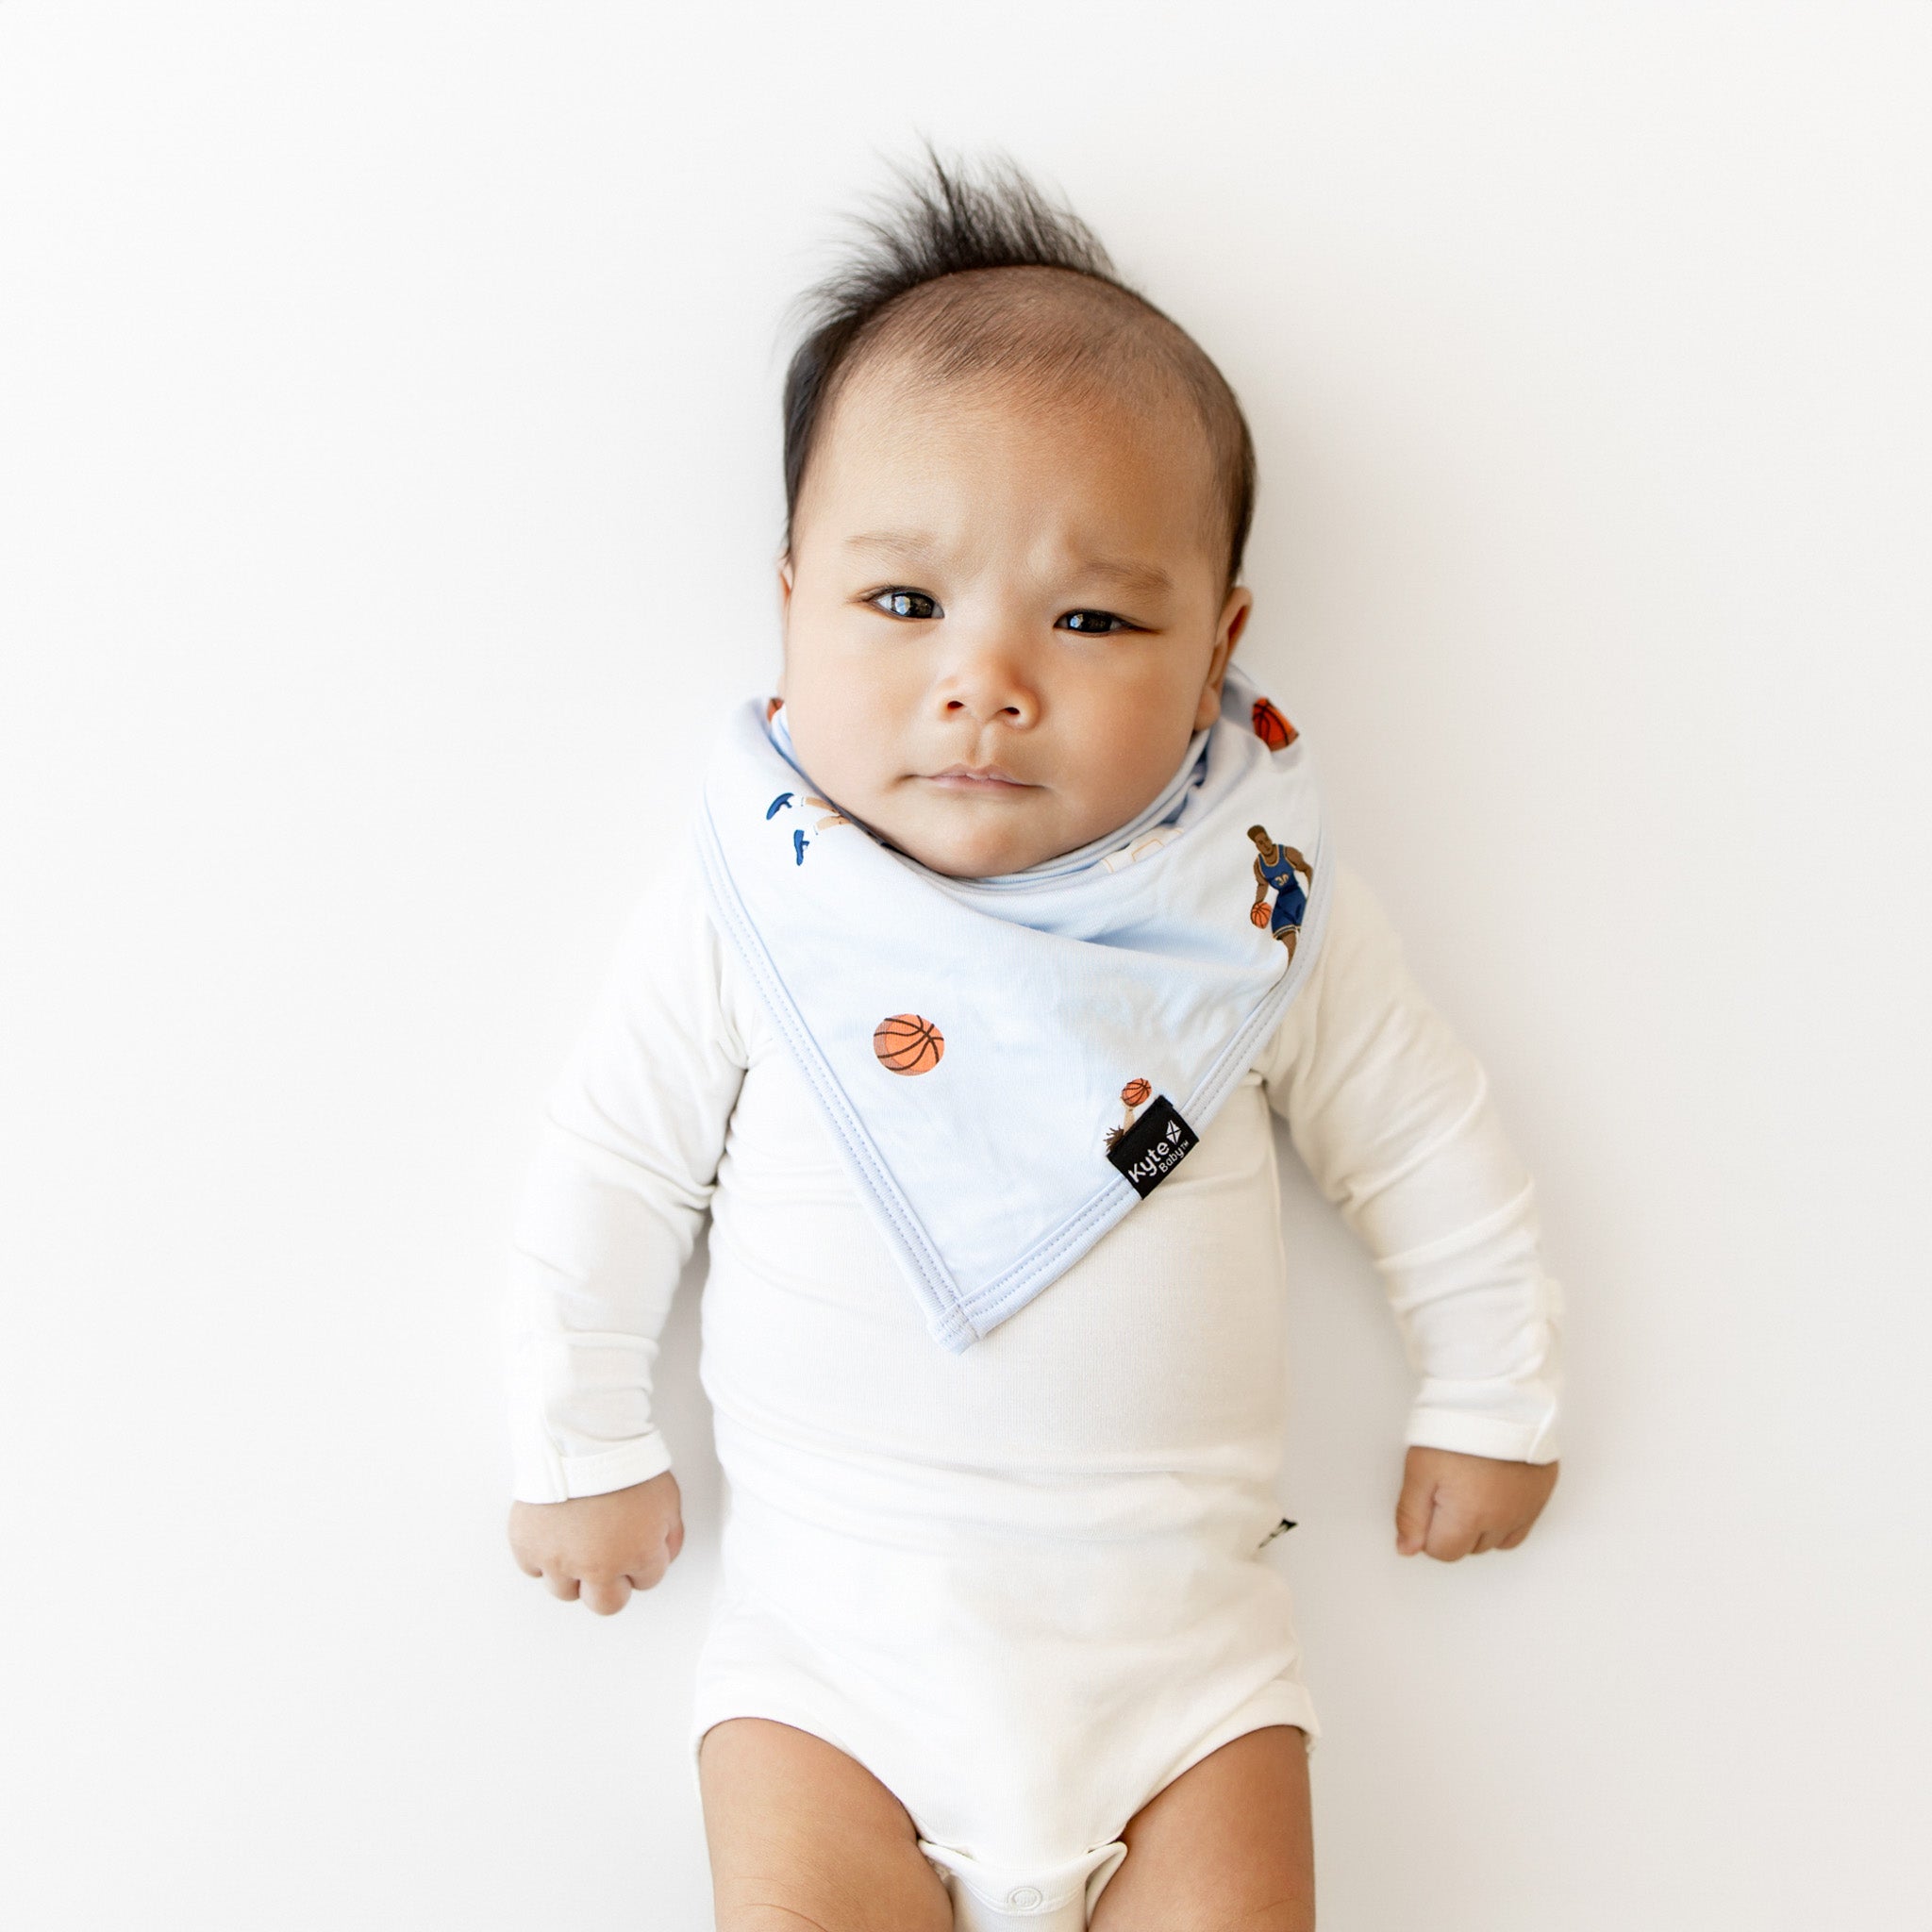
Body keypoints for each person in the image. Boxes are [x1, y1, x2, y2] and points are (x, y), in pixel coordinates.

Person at [503, 153, 1561, 1932]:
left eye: (1091, 618)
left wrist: (1493, 1388)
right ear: (788, 601)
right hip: (831, 1664)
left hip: (1188, 1672)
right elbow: (614, 1161)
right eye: (904, 604)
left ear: (1221, 640)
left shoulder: (1257, 918)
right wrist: (576, 1434)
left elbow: (1427, 1143)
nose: (986, 680)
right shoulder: (758, 908)